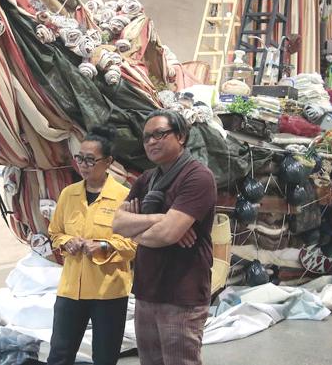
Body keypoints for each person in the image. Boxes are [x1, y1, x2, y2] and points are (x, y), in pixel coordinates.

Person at [113, 110, 217, 365]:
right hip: (147, 292)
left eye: (159, 134)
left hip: (182, 296)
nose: (150, 142)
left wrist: (144, 228)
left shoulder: (197, 177)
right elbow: (117, 224)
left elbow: (169, 234)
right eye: (147, 137)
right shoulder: (147, 180)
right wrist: (161, 219)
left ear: (180, 136)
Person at [47, 124, 137, 365]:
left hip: (108, 291)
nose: (83, 165)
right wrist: (68, 242)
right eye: (80, 159)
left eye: (90, 160)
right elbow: (55, 232)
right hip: (70, 290)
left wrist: (105, 246)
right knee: (59, 355)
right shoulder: (68, 194)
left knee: (105, 357)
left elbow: (133, 243)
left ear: (107, 162)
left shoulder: (123, 196)